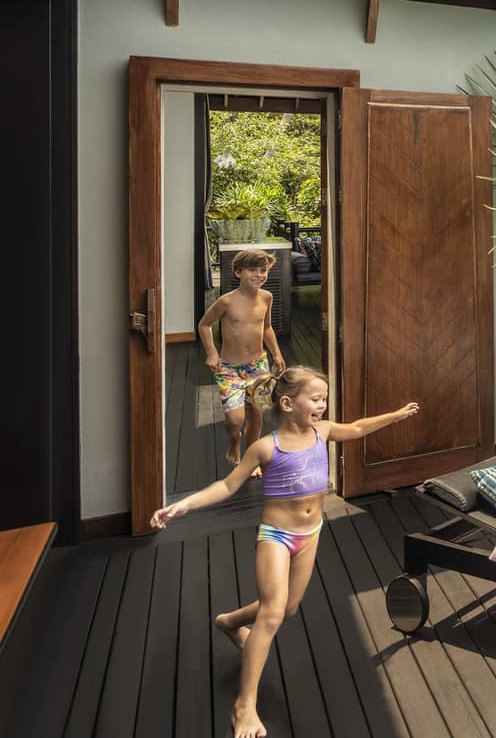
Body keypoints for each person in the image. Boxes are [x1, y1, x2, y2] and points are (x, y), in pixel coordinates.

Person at [151, 366, 419, 738]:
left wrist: (395, 415)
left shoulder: (321, 432)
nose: (322, 406)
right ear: (288, 402)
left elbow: (356, 428)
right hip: (276, 537)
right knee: (273, 615)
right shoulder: (266, 447)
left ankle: (229, 622)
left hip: (311, 533)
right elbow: (227, 486)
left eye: (324, 399)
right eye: (316, 398)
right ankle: (244, 707)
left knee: (288, 608)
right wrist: (183, 505)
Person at [199, 248, 287, 472]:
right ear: (238, 272)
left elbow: (266, 328)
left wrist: (276, 353)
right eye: (252, 270)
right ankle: (234, 439)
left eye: (263, 270)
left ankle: (251, 457)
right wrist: (212, 353)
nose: (259, 275)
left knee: (257, 414)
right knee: (235, 420)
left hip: (258, 366)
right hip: (229, 369)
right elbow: (204, 325)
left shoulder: (267, 297)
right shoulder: (226, 302)